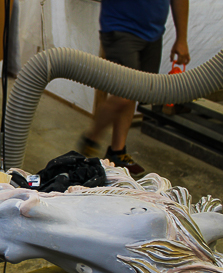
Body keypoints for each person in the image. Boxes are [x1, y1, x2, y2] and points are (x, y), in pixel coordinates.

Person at [77, 0, 190, 176]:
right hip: (120, 28)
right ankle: (92, 137)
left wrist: (181, 38)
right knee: (124, 93)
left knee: (135, 91)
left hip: (153, 33)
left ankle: (117, 152)